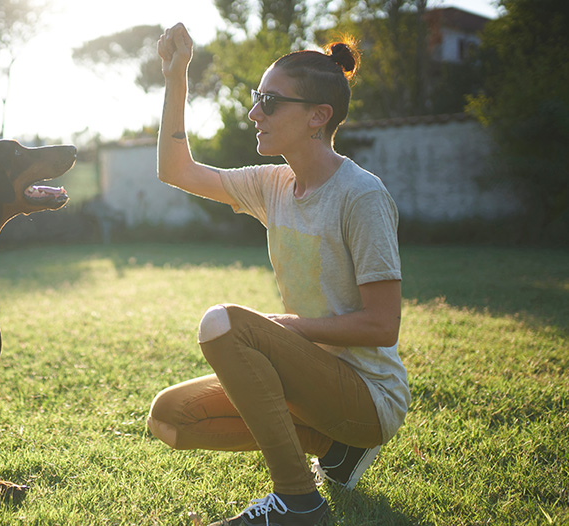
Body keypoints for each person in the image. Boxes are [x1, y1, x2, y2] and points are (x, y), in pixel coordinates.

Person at [147, 23, 411, 526]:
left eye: (269, 101)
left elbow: (382, 326)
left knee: (222, 323)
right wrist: (176, 75)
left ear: (318, 117)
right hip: (309, 380)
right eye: (256, 97)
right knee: (171, 419)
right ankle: (335, 449)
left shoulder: (362, 195)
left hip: (369, 396)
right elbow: (176, 170)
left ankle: (299, 502)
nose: (254, 113)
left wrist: (291, 327)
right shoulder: (272, 184)